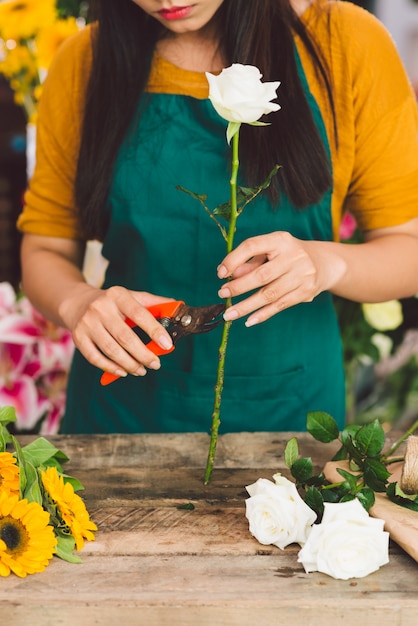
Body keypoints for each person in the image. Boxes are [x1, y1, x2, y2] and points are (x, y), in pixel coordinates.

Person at [17, 0, 418, 434]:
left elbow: (409, 248)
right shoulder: (83, 62)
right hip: (118, 415)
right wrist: (77, 303)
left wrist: (328, 264)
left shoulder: (345, 44)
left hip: (289, 418)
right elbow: (46, 246)